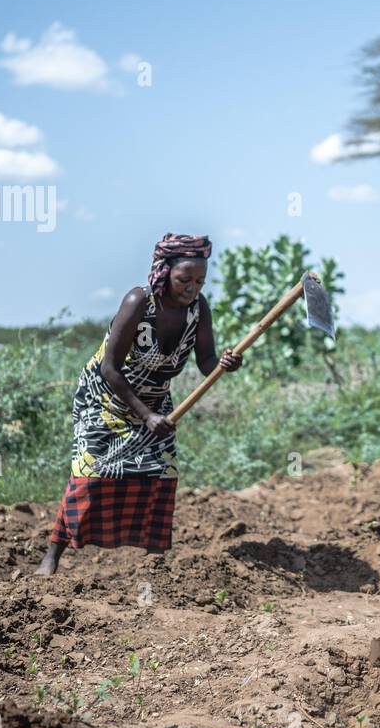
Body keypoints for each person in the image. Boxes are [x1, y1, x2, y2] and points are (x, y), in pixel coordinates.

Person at [36, 233, 242, 575]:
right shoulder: (138, 302)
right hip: (107, 396)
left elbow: (206, 361)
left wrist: (225, 363)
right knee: (91, 473)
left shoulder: (198, 309)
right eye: (184, 280)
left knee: (161, 473)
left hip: (155, 399)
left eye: (200, 281)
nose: (192, 288)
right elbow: (110, 367)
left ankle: (153, 567)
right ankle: (52, 555)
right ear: (164, 272)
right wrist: (145, 416)